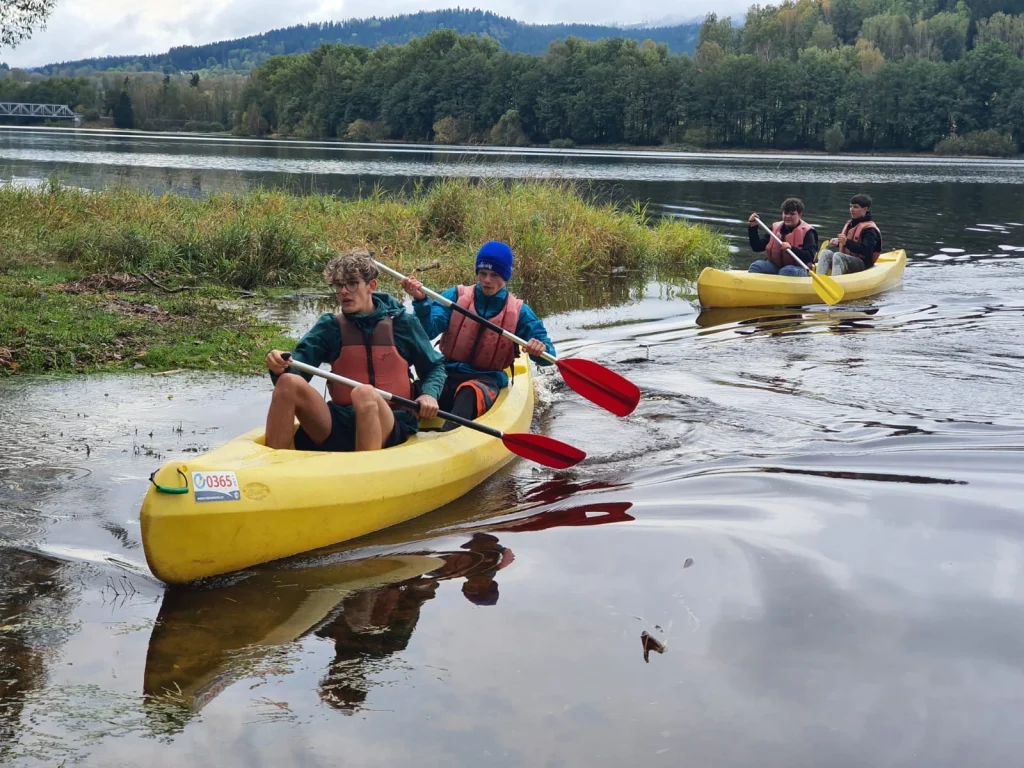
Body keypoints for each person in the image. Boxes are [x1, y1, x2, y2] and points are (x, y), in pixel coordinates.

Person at [264, 249, 445, 451]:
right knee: (288, 383)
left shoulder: (403, 324)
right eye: (339, 285)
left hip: (391, 420)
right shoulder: (330, 327)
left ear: (371, 286)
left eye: (352, 284)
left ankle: (366, 472)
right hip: (339, 421)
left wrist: (429, 394)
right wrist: (279, 367)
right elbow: (298, 369)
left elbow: (435, 367)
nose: (343, 291)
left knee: (365, 393)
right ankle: (273, 466)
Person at [400, 240, 556, 427]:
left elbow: (549, 357)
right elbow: (428, 330)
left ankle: (450, 437)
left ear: (505, 276)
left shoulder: (520, 311)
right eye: (482, 273)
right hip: (446, 372)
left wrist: (539, 349)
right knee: (410, 392)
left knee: (469, 393)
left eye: (494, 274)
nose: (487, 280)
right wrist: (421, 302)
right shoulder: (456, 297)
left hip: (485, 379)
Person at [747, 198, 819, 277]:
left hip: (800, 268)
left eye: (792, 214)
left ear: (800, 215)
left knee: (787, 271)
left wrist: (791, 249)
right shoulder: (775, 228)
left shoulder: (808, 232)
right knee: (756, 266)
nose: (788, 216)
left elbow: (810, 256)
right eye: (786, 213)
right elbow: (757, 247)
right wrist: (753, 227)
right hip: (776, 266)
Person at [817, 194, 882, 276]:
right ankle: (818, 280)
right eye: (851, 206)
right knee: (825, 253)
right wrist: (838, 242)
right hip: (847, 260)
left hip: (863, 264)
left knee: (838, 255)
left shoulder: (870, 230)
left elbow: (867, 251)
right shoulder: (851, 224)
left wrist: (846, 242)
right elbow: (849, 242)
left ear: (865, 209)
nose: (851, 209)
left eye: (855, 207)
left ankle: (836, 282)